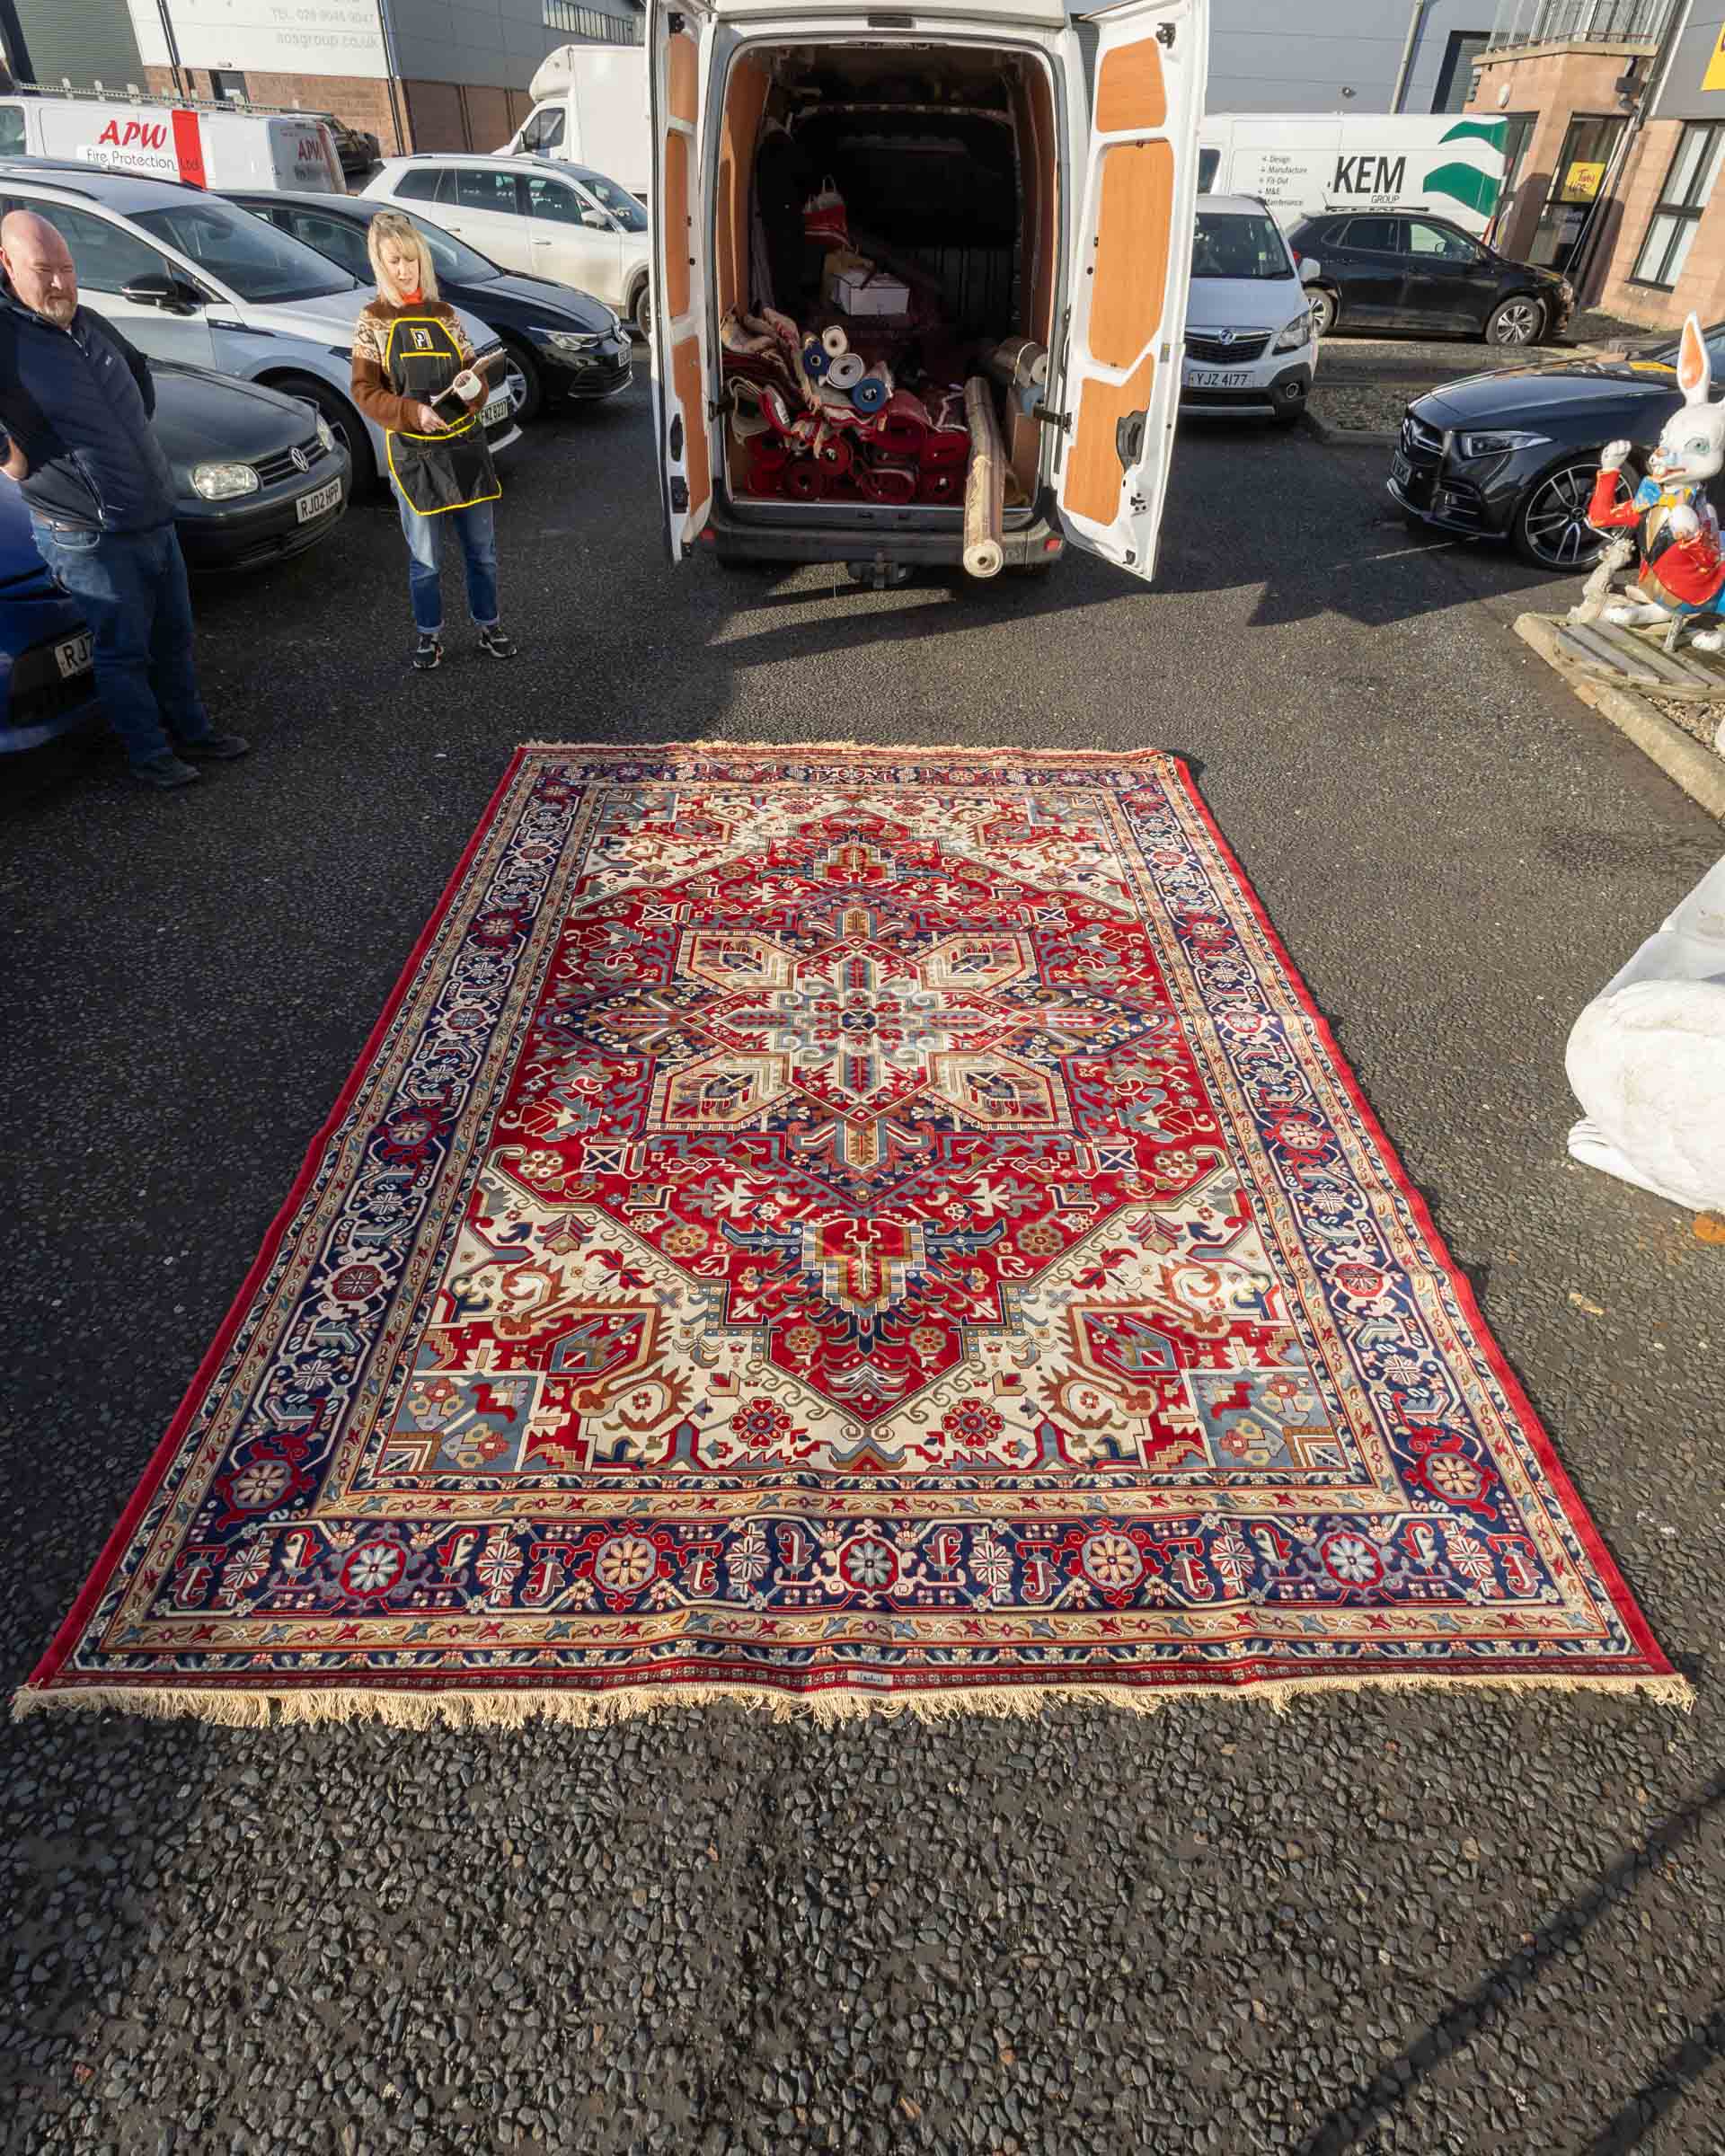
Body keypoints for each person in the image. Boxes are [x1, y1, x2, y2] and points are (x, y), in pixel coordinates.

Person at [0, 209, 248, 791]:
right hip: (87, 531)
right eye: (44, 270)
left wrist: (136, 450)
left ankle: (194, 731)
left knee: (174, 639)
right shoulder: (6, 336)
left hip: (153, 513)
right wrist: (8, 455)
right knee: (122, 652)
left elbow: (138, 376)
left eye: (67, 268)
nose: (60, 283)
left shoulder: (87, 322)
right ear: (7, 266)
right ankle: (149, 754)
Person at [350, 212, 518, 672]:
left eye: (410, 259)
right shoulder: (373, 321)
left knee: (481, 551)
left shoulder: (446, 315)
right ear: (380, 264)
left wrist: (471, 388)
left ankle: (489, 626)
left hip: (464, 448)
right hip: (413, 454)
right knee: (425, 560)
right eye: (394, 261)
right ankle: (430, 636)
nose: (404, 270)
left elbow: (477, 391)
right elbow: (364, 392)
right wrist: (411, 412)